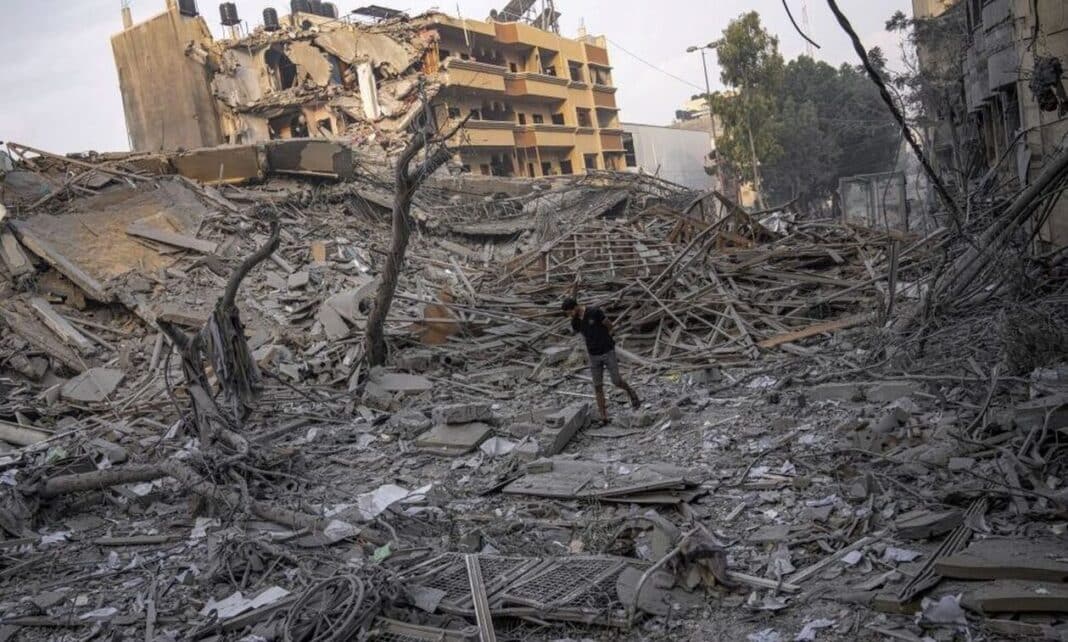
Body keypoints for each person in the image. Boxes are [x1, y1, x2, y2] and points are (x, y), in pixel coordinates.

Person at [562, 296, 641, 424]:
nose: (570, 315)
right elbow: (582, 334)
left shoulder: (594, 312)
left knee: (616, 380)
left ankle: (630, 392)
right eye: (568, 313)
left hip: (607, 351)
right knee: (597, 386)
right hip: (593, 355)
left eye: (570, 311)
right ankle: (603, 416)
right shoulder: (575, 322)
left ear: (576, 307)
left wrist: (603, 338)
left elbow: (609, 325)